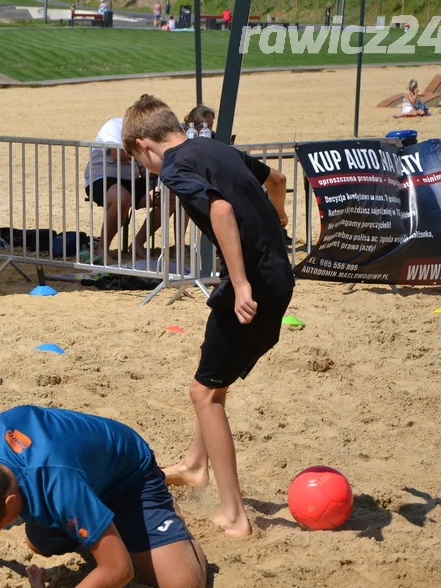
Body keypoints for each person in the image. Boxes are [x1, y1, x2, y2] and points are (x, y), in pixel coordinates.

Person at [122, 95, 295, 537]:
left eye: (142, 164)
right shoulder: (220, 148)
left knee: (204, 394)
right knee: (213, 374)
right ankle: (196, 464)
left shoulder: (176, 168)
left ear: (144, 145)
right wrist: (277, 215)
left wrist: (238, 282)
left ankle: (235, 515)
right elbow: (277, 178)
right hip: (277, 274)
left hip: (252, 283)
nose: (148, 172)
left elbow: (220, 210)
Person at [0, 406, 207, 588]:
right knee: (38, 544)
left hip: (127, 478)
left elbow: (118, 570)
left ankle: (168, 515)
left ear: (9, 504)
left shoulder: (57, 483)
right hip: (75, 474)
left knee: (184, 584)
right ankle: (103, 524)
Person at [183, 105, 291, 233]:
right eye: (205, 125)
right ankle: (180, 242)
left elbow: (278, 179)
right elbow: (278, 179)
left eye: (211, 125)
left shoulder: (217, 139)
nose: (208, 129)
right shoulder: (187, 141)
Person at [84, 117, 163, 258]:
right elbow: (117, 154)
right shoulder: (115, 125)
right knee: (122, 198)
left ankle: (138, 243)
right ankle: (102, 249)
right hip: (102, 178)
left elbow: (145, 173)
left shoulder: (144, 133)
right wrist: (148, 151)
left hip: (131, 180)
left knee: (170, 197)